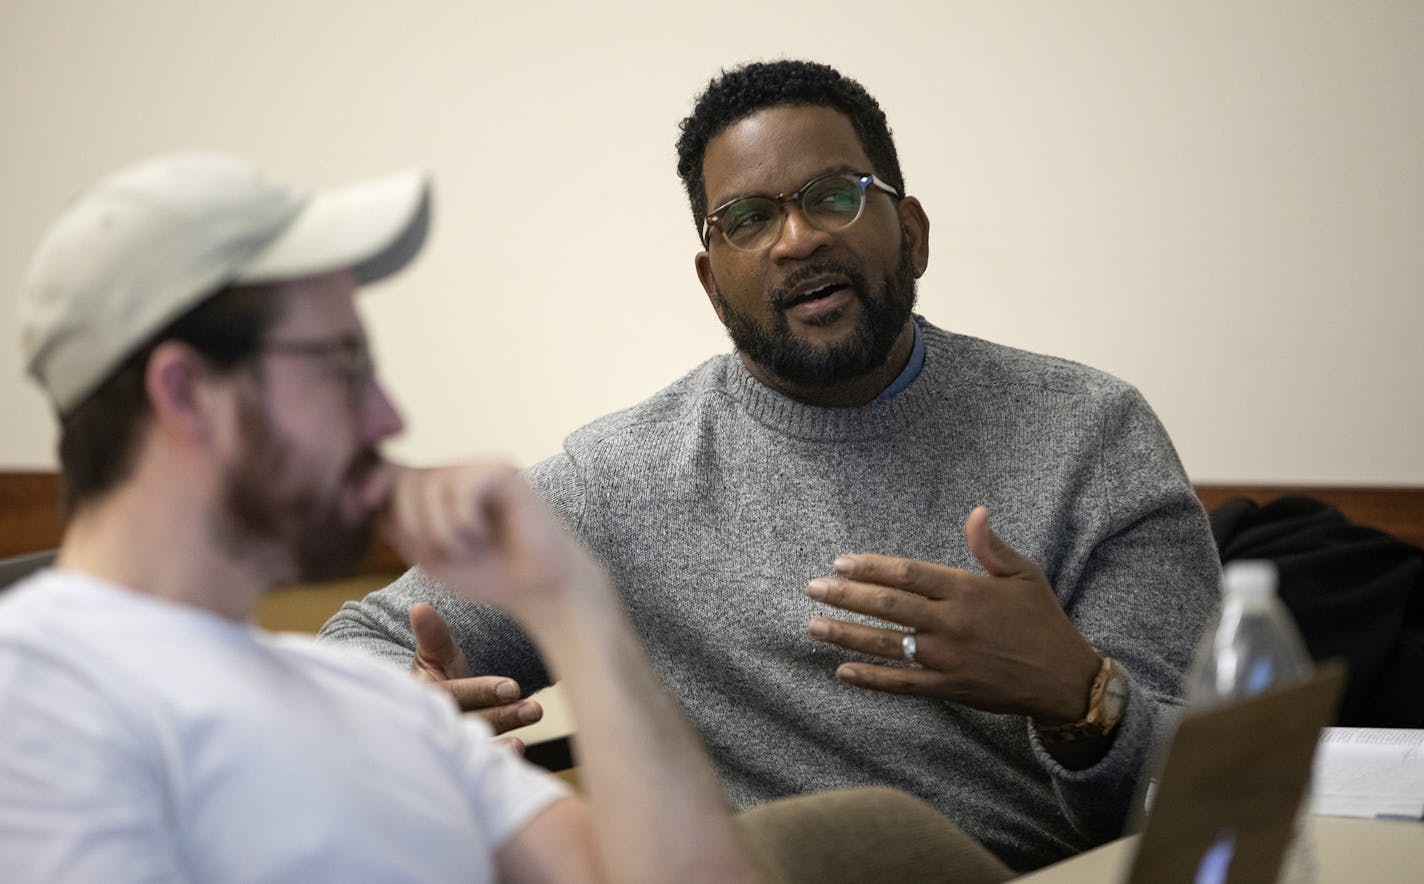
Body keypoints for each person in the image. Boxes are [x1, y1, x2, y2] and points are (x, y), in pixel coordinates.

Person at [321, 59, 1221, 873]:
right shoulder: (618, 481)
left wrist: (1075, 693)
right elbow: (362, 642)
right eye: (748, 220)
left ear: (910, 231)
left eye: (833, 196)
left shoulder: (1090, 434)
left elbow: (1216, 795)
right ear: (712, 282)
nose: (796, 240)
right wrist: (402, 709)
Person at [0, 152, 762, 883]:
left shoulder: (375, 702)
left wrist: (572, 604)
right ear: (187, 394)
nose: (386, 417)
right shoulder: (36, 697)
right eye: (342, 368)